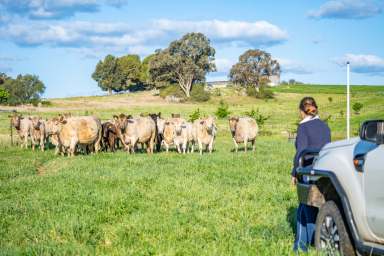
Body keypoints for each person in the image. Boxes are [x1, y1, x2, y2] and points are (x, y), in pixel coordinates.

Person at [291, 97, 331, 252]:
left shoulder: (303, 127)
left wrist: (295, 172)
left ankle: (300, 247)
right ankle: (319, 240)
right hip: (324, 170)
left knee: (303, 206)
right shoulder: (325, 126)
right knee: (319, 204)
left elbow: (301, 151)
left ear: (302, 111)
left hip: (307, 169)